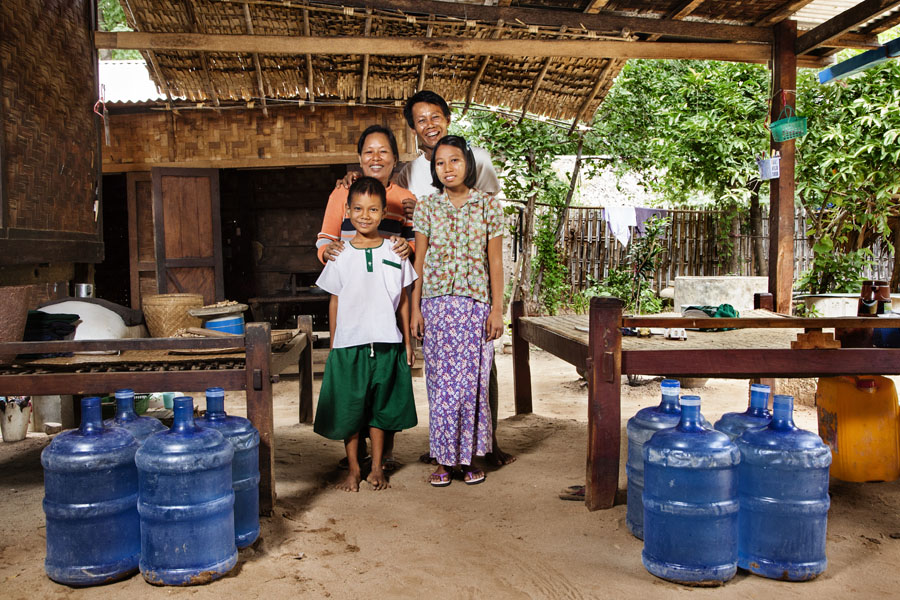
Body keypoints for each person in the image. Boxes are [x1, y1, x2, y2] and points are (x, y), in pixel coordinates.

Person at [398, 90, 514, 468]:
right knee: (442, 379)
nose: (428, 124)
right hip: (436, 296)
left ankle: (484, 448)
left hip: (475, 296)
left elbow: (494, 256)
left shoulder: (480, 173)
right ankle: (445, 448)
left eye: (435, 116)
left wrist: (497, 308)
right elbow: (420, 252)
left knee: (479, 376)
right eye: (420, 119)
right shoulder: (412, 173)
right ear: (413, 128)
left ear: (447, 118)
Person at [316, 124, 416, 471]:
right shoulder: (341, 193)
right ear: (360, 157)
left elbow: (413, 248)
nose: (376, 157)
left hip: (385, 306)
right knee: (353, 390)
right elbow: (325, 239)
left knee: (384, 389)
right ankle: (355, 460)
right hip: (353, 296)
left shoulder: (406, 199)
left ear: (395, 158)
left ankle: (381, 458)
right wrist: (329, 253)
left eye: (383, 151)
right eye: (369, 151)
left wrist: (408, 246)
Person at [411, 135, 504, 487]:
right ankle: (444, 461)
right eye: (439, 163)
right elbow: (418, 263)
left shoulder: (489, 206)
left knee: (471, 386)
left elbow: (495, 263)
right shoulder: (427, 207)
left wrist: (497, 310)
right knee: (441, 386)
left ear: (468, 164)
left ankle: (468, 461)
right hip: (436, 306)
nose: (447, 168)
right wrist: (416, 309)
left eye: (454, 160)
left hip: (475, 306)